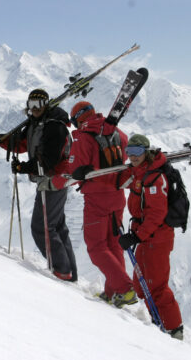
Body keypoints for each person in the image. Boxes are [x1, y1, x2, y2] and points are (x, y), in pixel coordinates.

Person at [50, 101, 136, 306]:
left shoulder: (82, 137)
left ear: (78, 118)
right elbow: (126, 151)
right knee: (113, 245)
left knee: (97, 248)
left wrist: (54, 182)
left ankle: (125, 289)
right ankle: (113, 291)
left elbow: (75, 170)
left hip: (97, 198)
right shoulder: (114, 130)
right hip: (117, 196)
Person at [0, 89, 77, 282]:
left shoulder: (55, 127)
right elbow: (22, 143)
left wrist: (23, 167)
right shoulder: (36, 123)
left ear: (47, 105)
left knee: (42, 227)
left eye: (38, 105)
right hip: (52, 179)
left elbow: (49, 160)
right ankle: (69, 271)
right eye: (31, 106)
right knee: (57, 226)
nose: (34, 109)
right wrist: (2, 140)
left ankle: (61, 270)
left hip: (53, 180)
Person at [117, 134, 184, 340]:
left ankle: (174, 331)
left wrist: (137, 236)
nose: (133, 156)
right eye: (129, 152)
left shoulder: (154, 177)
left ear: (146, 152)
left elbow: (157, 214)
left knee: (156, 285)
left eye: (137, 152)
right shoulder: (139, 172)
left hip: (157, 237)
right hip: (145, 235)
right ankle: (158, 321)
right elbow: (121, 180)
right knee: (141, 283)